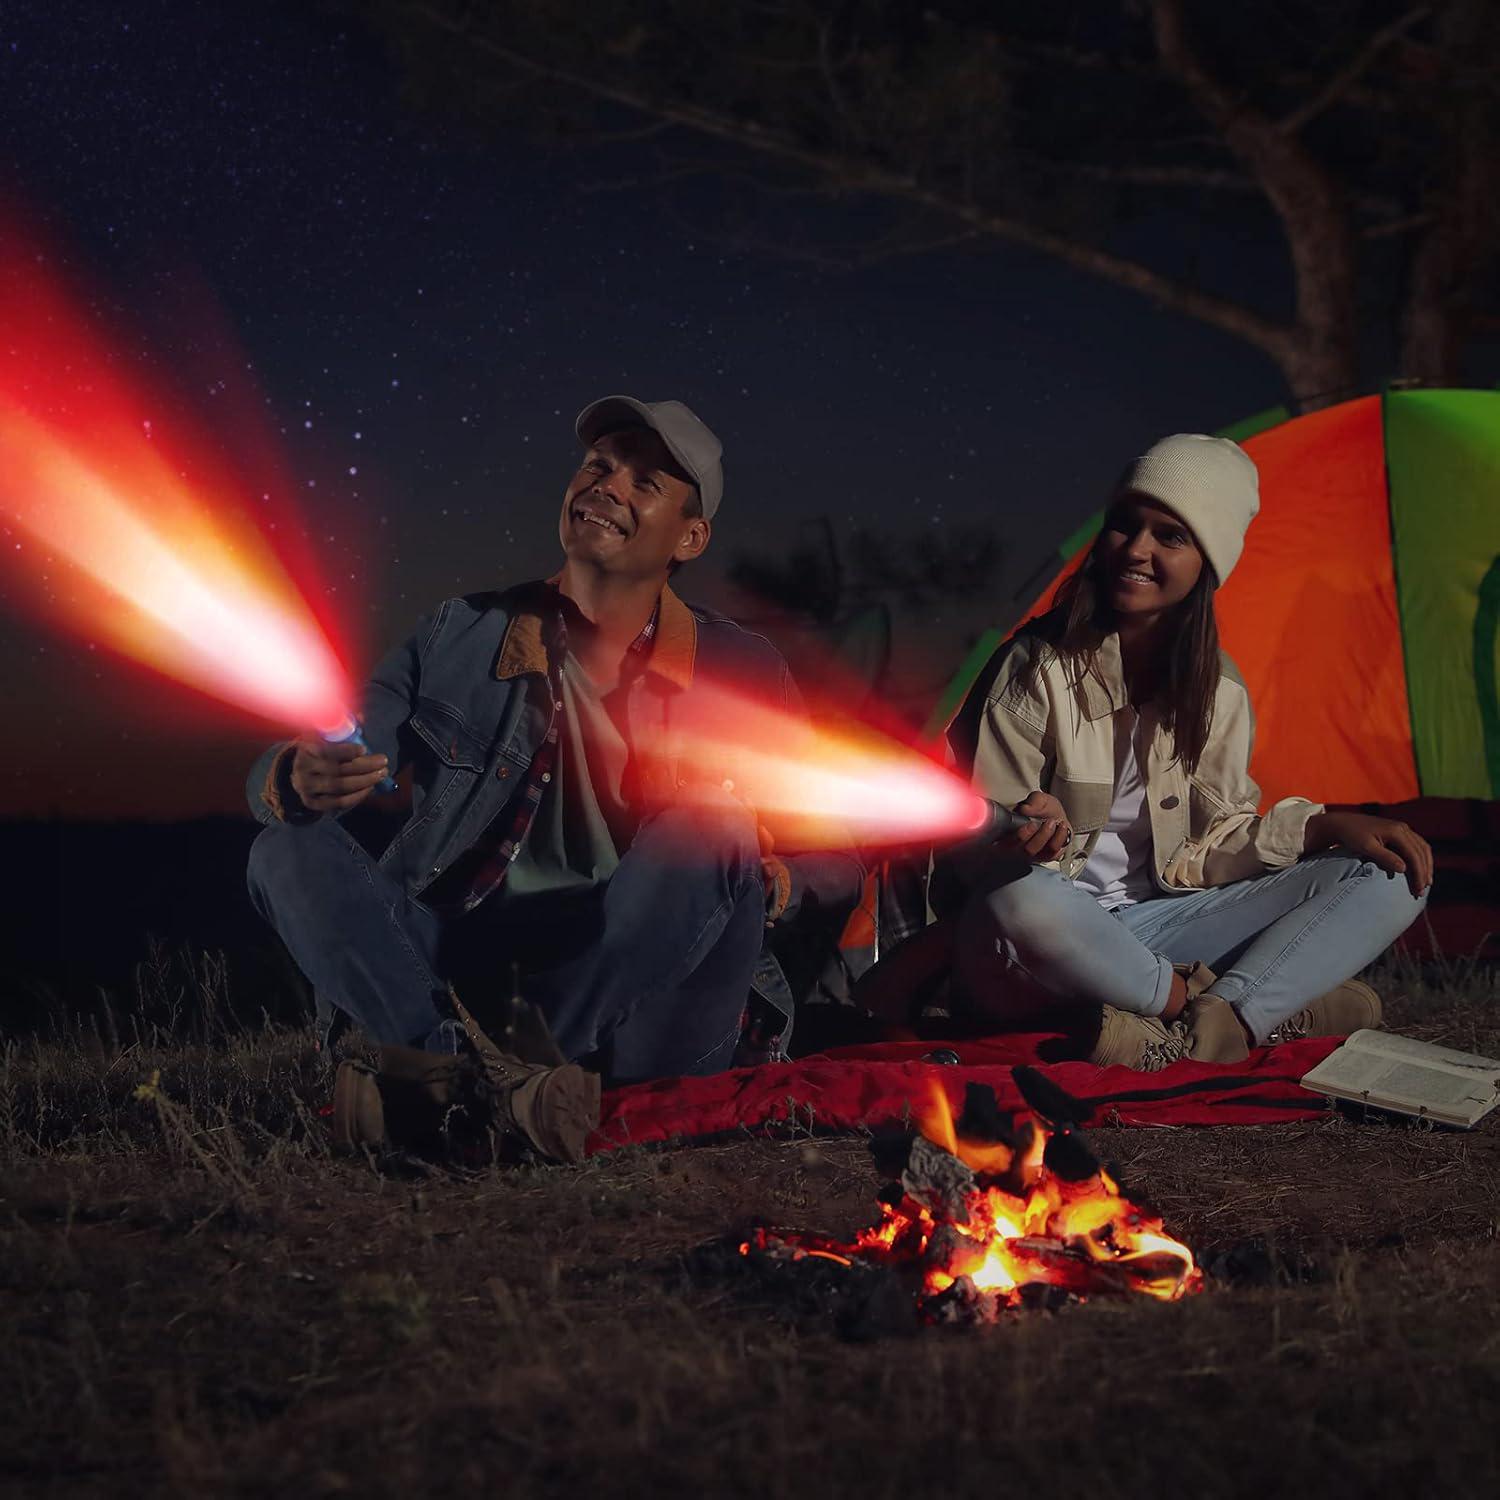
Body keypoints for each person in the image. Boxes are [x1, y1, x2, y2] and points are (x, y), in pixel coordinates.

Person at [245, 396, 863, 1159]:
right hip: (467, 978)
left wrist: (777, 881)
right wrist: (297, 777)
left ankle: (464, 1087)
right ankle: (467, 1076)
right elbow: (342, 740)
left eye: (645, 484)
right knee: (284, 848)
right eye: (598, 466)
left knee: (711, 825)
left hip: (644, 999)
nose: (606, 486)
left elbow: (839, 862)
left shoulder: (742, 668)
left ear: (691, 537)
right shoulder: (458, 631)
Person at [939, 433, 1432, 1071]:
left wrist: (1324, 826)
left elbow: (1212, 846)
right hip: (1037, 938)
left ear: (1208, 562)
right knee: (1021, 898)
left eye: (1169, 536)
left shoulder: (1218, 691)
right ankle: (1219, 1009)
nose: (1136, 550)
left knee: (1390, 872)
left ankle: (1219, 1017)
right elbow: (970, 851)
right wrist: (1014, 832)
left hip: (1155, 927)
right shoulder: (1033, 666)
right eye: (1124, 526)